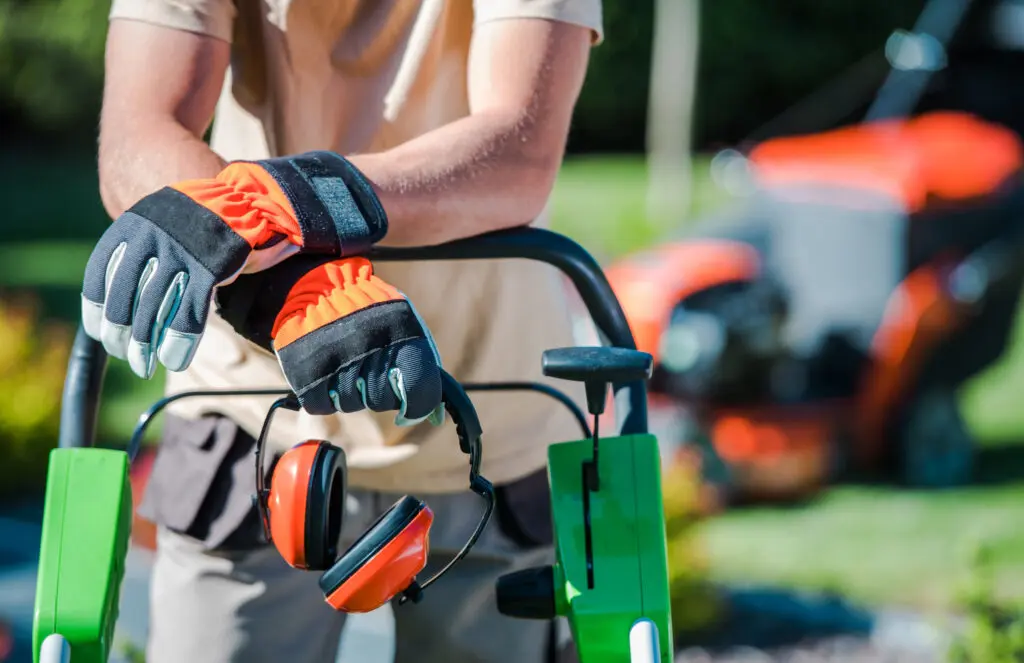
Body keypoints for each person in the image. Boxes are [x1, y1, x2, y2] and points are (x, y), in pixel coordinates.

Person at [86, 1, 602, 662]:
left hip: (487, 423)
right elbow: (138, 134)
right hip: (253, 418)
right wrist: (293, 290)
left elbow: (517, 150)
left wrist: (287, 202)